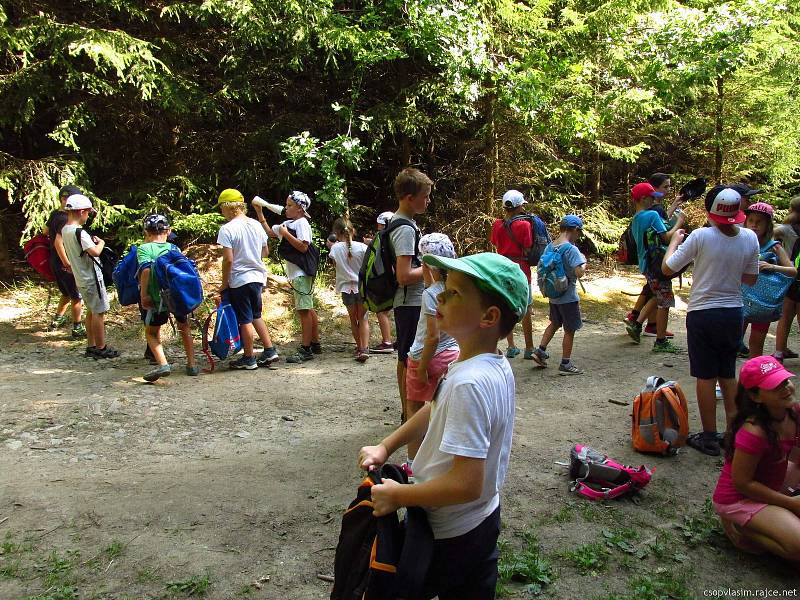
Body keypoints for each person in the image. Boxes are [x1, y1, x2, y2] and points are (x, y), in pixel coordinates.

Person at [357, 252, 529, 598]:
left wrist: (399, 495)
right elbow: (433, 409)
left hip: (450, 531)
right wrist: (386, 445)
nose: (440, 296)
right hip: (480, 519)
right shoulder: (485, 365)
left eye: (453, 293)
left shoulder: (470, 383)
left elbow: (466, 483)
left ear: (488, 316)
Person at [663, 186, 759, 456]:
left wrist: (674, 242)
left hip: (703, 313)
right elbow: (750, 279)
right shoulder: (750, 238)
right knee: (727, 374)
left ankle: (708, 436)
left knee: (705, 376)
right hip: (733, 313)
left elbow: (667, 268)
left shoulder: (701, 236)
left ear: (710, 211)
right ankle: (734, 434)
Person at [712, 356, 800, 563]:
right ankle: (740, 526)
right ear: (756, 396)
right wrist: (790, 503)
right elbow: (742, 483)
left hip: (773, 482)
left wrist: (788, 497)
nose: (786, 388)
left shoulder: (793, 412)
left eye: (786, 381)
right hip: (739, 498)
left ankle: (773, 517)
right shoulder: (754, 431)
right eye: (775, 386)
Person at [404, 233, 460, 464]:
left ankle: (412, 463)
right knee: (443, 410)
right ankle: (442, 458)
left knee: (415, 410)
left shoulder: (430, 295)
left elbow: (432, 335)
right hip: (451, 355)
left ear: (427, 263)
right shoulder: (455, 290)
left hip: (424, 357)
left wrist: (422, 367)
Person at [216, 188, 280, 370]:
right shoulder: (255, 224)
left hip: (239, 278)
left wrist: (224, 283)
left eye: (221, 208)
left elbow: (228, 260)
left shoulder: (227, 229)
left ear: (228, 207)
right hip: (258, 277)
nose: (221, 212)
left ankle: (249, 357)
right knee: (255, 315)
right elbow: (265, 252)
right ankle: (269, 349)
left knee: (244, 319)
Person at [256, 190, 321, 364]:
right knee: (309, 308)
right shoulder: (289, 223)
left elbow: (303, 247)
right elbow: (271, 233)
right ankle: (314, 343)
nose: (286, 208)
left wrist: (285, 234)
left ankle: (306, 349)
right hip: (298, 274)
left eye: (290, 205)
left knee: (304, 311)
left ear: (300, 209)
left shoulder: (301, 223)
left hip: (301, 273)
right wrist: (260, 212)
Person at [136, 214, 200, 381]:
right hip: (176, 294)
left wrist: (144, 295)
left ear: (146, 232)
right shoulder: (174, 249)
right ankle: (192, 365)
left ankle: (163, 364)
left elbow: (146, 271)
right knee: (184, 326)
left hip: (157, 298)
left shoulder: (144, 248)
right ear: (168, 231)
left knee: (151, 332)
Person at [624, 181, 686, 352]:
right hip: (656, 264)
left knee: (658, 296)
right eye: (652, 197)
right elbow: (666, 237)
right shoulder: (651, 216)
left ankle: (638, 324)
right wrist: (679, 222)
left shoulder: (636, 219)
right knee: (665, 301)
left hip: (646, 265)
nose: (655, 201)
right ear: (643, 198)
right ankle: (660, 341)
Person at [389, 168, 430, 422]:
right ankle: (409, 414)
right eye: (424, 196)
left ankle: (409, 412)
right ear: (408, 197)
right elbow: (403, 275)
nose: (427, 201)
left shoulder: (403, 223)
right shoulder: (404, 229)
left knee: (406, 355)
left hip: (409, 302)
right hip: (409, 303)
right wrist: (433, 266)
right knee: (408, 357)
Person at [60, 194, 119, 359]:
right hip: (91, 277)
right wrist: (101, 243)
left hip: (80, 277)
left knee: (91, 311)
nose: (88, 217)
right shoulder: (80, 232)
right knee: (99, 312)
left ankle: (91, 345)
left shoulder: (65, 230)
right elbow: (95, 252)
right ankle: (101, 347)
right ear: (81, 212)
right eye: (87, 213)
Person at [531, 215, 587, 375]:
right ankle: (565, 363)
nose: (579, 236)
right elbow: (579, 272)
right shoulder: (571, 248)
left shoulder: (550, 246)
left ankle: (540, 351)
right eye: (579, 232)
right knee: (570, 329)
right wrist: (583, 262)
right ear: (575, 230)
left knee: (554, 323)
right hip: (568, 297)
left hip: (554, 295)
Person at [738, 202, 796, 359]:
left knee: (756, 345)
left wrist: (772, 267)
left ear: (768, 225)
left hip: (763, 304)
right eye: (751, 221)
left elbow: (792, 271)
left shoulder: (774, 247)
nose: (754, 225)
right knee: (732, 343)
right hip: (739, 301)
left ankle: (754, 381)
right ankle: (726, 383)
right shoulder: (739, 242)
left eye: (759, 222)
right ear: (745, 221)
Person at [490, 190, 535, 359]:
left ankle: (511, 346)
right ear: (518, 206)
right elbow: (528, 245)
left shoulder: (497, 224)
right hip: (521, 268)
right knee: (526, 308)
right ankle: (529, 348)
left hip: (502, 268)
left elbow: (495, 242)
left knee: (507, 308)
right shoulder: (525, 225)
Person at [44, 184, 85, 337]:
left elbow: (45, 231)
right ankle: (77, 327)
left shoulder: (55, 215)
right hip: (64, 263)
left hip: (54, 261)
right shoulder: (64, 220)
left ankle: (57, 320)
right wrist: (67, 263)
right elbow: (58, 242)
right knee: (76, 296)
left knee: (66, 293)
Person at [328, 217, 370, 362]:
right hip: (362, 288)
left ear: (336, 233)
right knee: (363, 318)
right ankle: (365, 348)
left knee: (353, 319)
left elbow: (335, 265)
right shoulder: (363, 248)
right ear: (353, 231)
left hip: (346, 288)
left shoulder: (334, 248)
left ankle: (359, 348)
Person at [773, 195, 800, 362]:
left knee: (785, 318)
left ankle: (779, 353)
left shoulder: (786, 229)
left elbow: (768, 233)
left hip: (788, 275)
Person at [370, 211, 396, 353]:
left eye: (380, 224)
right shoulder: (392, 236)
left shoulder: (386, 238)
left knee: (382, 310)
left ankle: (387, 342)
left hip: (387, 278)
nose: (378, 227)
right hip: (392, 278)